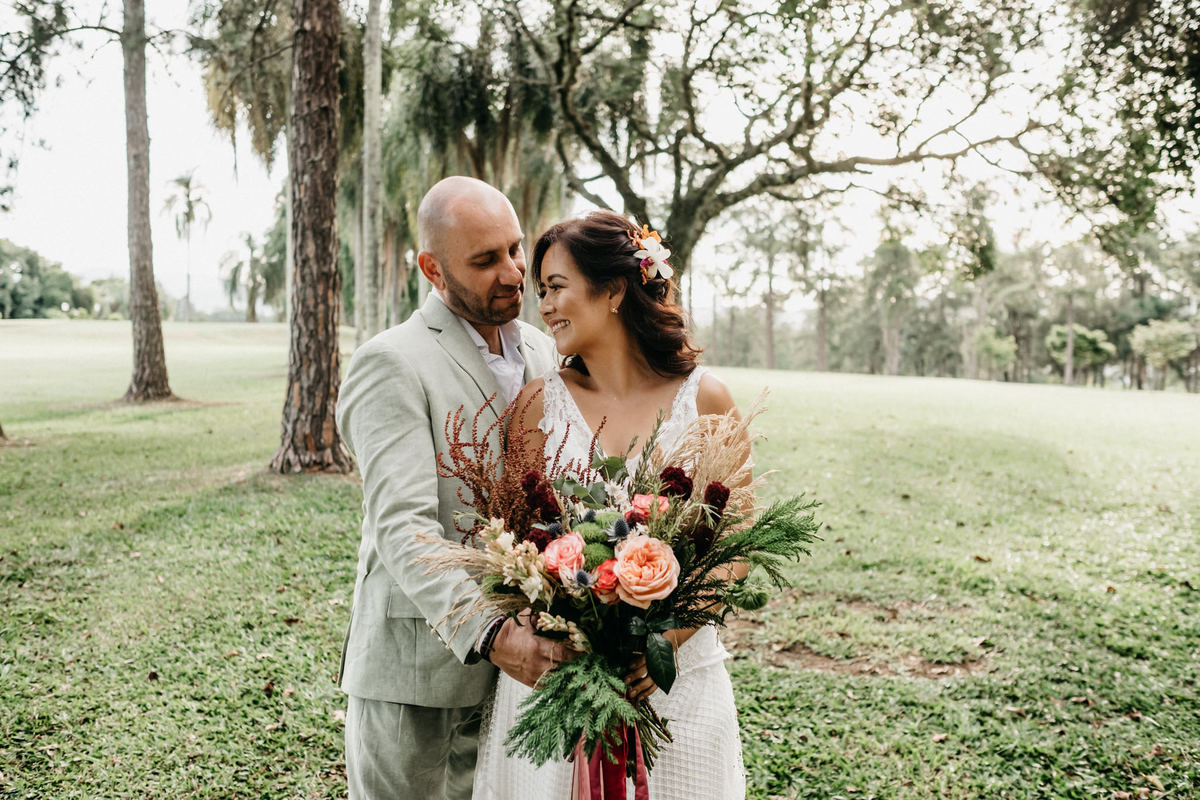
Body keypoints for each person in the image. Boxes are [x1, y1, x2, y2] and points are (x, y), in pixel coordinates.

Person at [472, 210, 747, 799]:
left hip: (676, 687)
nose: (542, 305)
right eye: (541, 290)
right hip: (559, 690)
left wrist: (663, 642)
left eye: (556, 287)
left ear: (616, 290)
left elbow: (737, 548)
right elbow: (512, 548)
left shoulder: (708, 399)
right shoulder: (535, 407)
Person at [335, 176, 569, 800]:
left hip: (524, 681)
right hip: (419, 673)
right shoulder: (392, 362)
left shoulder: (547, 353)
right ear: (432, 268)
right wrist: (494, 636)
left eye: (516, 249)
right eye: (486, 260)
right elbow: (403, 528)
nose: (515, 272)